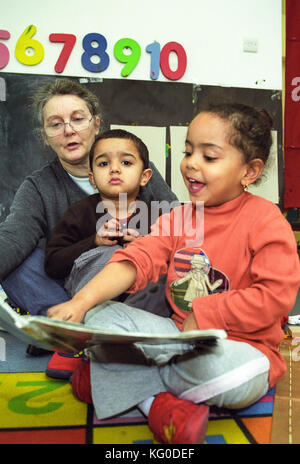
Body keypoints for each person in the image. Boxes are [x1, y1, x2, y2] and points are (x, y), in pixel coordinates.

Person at [47, 102, 300, 444]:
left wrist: (206, 313)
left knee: (234, 378)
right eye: (188, 151)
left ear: (249, 172)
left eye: (209, 157)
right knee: (99, 314)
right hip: (174, 335)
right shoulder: (178, 217)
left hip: (239, 349)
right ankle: (157, 406)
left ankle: (112, 377)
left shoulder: (269, 222)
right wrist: (79, 303)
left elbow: (273, 299)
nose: (191, 164)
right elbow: (134, 260)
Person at [0, 78, 177, 317]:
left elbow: (178, 224)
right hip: (66, 288)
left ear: (96, 125)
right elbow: (12, 240)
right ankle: (73, 326)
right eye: (55, 124)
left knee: (171, 260)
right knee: (22, 263)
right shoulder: (38, 187)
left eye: (78, 119)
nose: (68, 130)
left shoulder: (138, 169)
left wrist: (144, 246)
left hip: (132, 286)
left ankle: (84, 330)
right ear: (45, 137)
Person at [45, 128, 153, 297]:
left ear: (144, 177)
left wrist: (143, 249)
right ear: (93, 179)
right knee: (111, 255)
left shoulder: (157, 216)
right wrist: (94, 241)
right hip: (88, 295)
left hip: (137, 301)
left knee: (151, 266)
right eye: (104, 164)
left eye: (126, 163)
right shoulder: (79, 212)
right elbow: (53, 264)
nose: (114, 169)